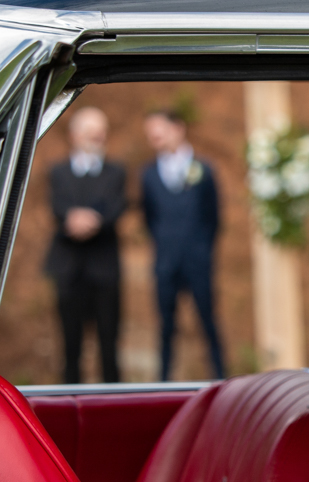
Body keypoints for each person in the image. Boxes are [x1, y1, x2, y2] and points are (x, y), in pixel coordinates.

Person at [141, 109, 224, 381]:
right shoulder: (149, 175)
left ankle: (220, 376)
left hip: (197, 261)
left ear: (178, 128)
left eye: (160, 131)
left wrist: (202, 250)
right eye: (151, 134)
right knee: (166, 326)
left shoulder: (203, 169)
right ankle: (163, 382)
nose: (156, 138)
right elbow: (149, 217)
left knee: (208, 322)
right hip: (166, 262)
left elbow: (213, 217)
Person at [44, 106, 126, 384]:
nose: (97, 137)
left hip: (104, 269)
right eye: (91, 132)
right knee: (70, 345)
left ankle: (112, 399)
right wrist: (73, 219)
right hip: (69, 269)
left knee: (109, 344)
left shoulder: (116, 172)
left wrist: (91, 221)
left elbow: (115, 207)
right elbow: (57, 206)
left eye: (101, 132)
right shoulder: (58, 172)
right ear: (74, 135)